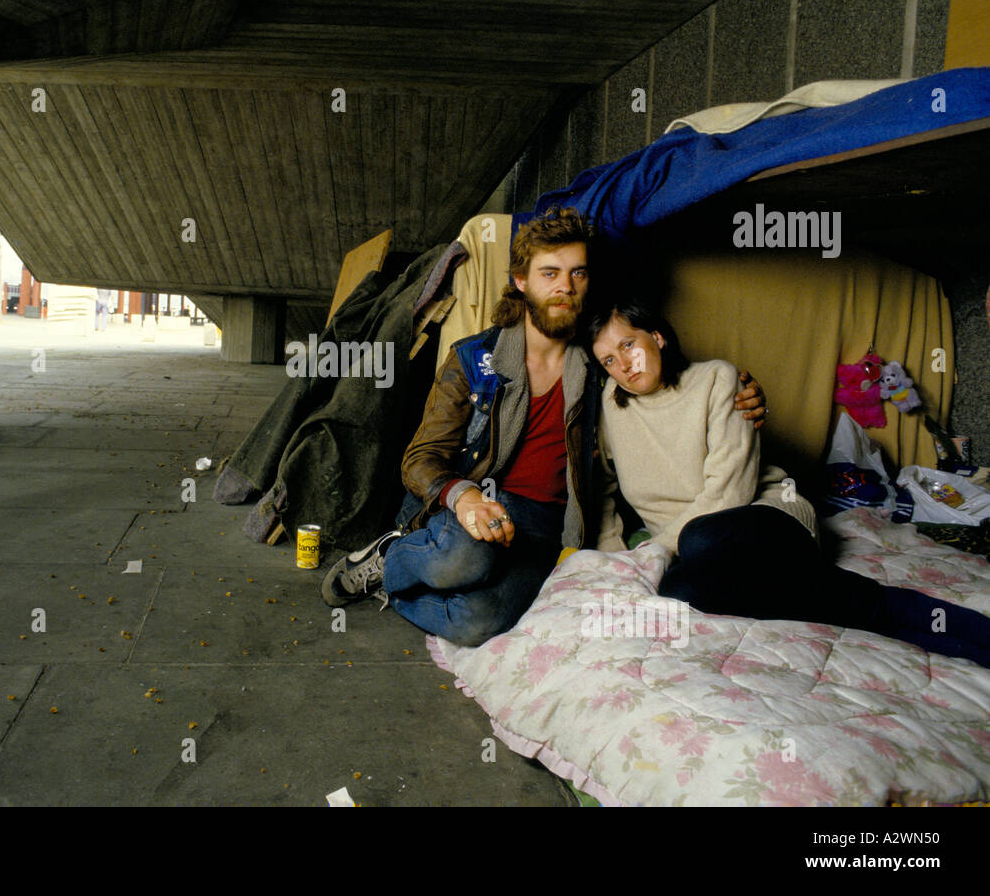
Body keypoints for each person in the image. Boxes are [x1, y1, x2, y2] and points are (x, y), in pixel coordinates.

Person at [320, 209, 766, 646]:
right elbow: (419, 460)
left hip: (549, 527)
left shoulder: (599, 366)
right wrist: (467, 498)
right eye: (549, 273)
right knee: (467, 559)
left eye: (578, 274)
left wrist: (738, 389)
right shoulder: (474, 359)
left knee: (478, 622)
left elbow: (660, 380)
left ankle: (398, 588)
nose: (565, 288)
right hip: (478, 503)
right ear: (521, 280)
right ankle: (389, 557)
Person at [590, 296, 990, 668]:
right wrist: (616, 557)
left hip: (762, 520)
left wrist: (648, 555)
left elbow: (730, 494)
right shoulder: (612, 404)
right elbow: (602, 487)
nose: (623, 366)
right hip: (695, 557)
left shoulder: (717, 379)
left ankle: (925, 621)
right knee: (679, 592)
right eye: (608, 360)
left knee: (701, 539)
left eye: (628, 346)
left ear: (657, 336)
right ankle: (919, 621)